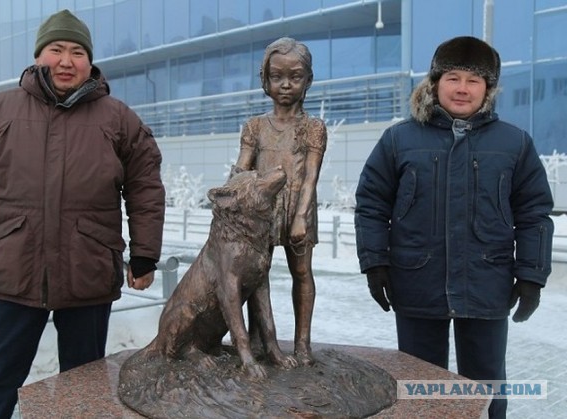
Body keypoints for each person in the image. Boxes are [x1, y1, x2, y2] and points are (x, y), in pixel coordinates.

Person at [0, 9, 165, 419]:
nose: (66, 60)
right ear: (38, 55)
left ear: (90, 61)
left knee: (83, 386)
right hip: (15, 271)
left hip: (88, 271)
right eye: (56, 49)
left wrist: (145, 253)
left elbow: (145, 186)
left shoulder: (118, 118)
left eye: (77, 51)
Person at [354, 36, 554, 418]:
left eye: (474, 80)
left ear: (488, 89)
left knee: (487, 385)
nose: (462, 88)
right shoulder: (399, 139)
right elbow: (372, 204)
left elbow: (534, 212)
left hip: (486, 281)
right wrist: (374, 262)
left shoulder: (515, 143)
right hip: (416, 280)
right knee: (420, 383)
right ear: (434, 83)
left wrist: (532, 275)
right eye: (453, 78)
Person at [232, 37, 327, 365]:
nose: (285, 84)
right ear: (265, 80)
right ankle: (260, 340)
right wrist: (233, 185)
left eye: (295, 76)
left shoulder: (313, 127)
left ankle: (303, 343)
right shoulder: (255, 126)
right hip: (262, 211)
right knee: (256, 274)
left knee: (301, 272)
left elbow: (311, 176)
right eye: (277, 77)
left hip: (298, 207)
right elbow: (243, 167)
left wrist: (301, 216)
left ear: (308, 81)